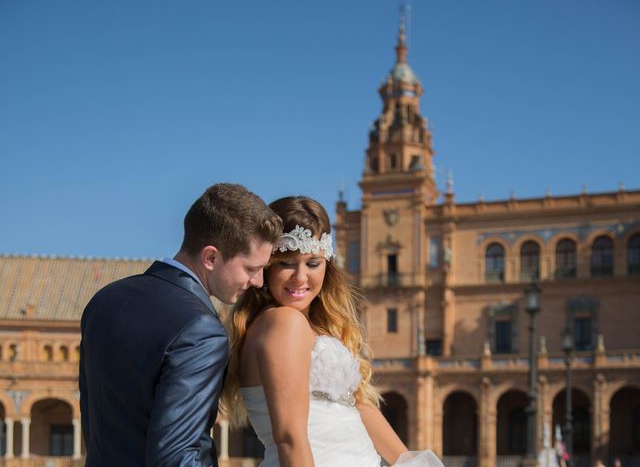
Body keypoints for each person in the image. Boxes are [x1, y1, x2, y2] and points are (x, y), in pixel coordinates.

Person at [221, 196, 443, 467]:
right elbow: (290, 437)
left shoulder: (312, 326)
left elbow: (357, 405)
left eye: (313, 263)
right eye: (286, 263)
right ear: (267, 267)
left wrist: (411, 463)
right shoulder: (283, 322)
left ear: (327, 265)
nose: (300, 277)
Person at [80, 183, 282, 467]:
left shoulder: (104, 300)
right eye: (251, 268)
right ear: (210, 257)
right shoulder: (201, 331)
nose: (258, 281)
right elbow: (176, 456)